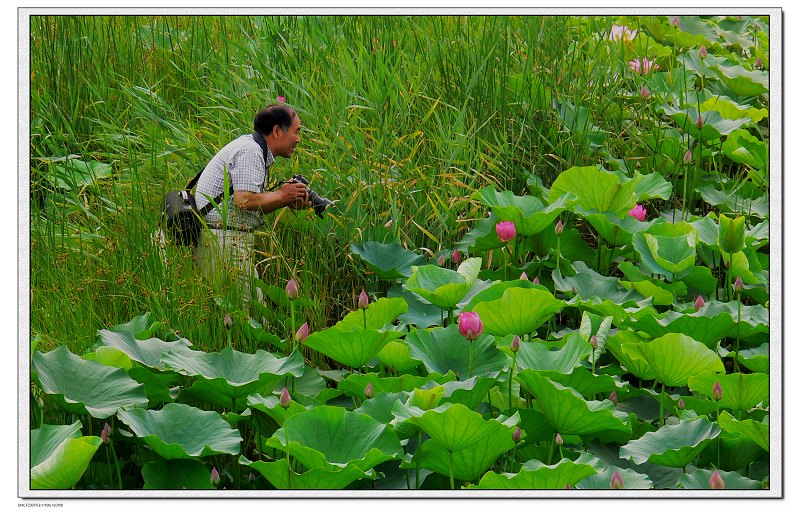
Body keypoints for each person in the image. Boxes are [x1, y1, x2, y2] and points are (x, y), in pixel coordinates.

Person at [193, 103, 310, 308]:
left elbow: (250, 205)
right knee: (244, 313)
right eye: (296, 132)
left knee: (253, 311)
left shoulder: (251, 147)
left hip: (225, 238)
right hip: (224, 241)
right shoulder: (250, 152)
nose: (298, 139)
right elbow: (244, 200)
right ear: (276, 131)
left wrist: (286, 199)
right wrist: (282, 194)